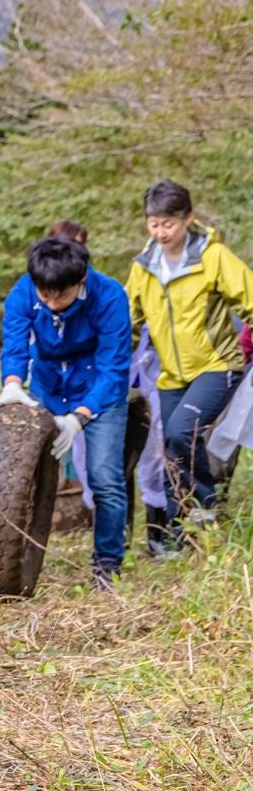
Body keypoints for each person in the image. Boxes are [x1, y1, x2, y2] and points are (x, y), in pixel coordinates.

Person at [0, 236, 131, 588]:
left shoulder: (110, 296)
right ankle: (14, 553)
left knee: (105, 479)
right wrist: (11, 384)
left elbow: (114, 367)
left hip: (98, 389)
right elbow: (14, 342)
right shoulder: (24, 291)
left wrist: (80, 416)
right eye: (46, 296)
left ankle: (106, 562)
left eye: (63, 296)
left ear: (81, 278)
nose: (53, 304)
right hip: (48, 385)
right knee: (23, 475)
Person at [124, 179, 253, 544]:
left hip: (218, 365)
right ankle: (176, 533)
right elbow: (128, 324)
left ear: (188, 219)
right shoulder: (143, 266)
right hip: (171, 374)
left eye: (169, 224)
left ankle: (205, 506)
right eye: (153, 224)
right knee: (172, 448)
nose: (161, 232)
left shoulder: (213, 257)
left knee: (182, 431)